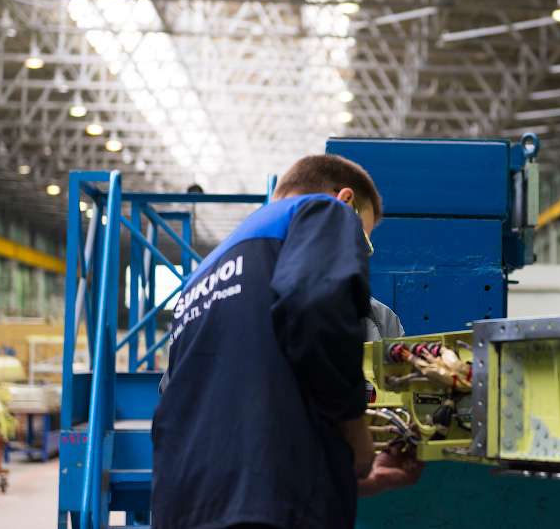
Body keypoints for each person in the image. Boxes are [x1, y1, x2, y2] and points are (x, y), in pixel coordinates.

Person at [151, 154, 422, 529]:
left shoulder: (204, 272)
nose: (363, 250)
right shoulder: (321, 211)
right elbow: (317, 311)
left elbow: (174, 393)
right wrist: (357, 442)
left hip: (182, 505)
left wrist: (349, 476)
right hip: (273, 509)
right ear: (344, 200)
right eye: (365, 237)